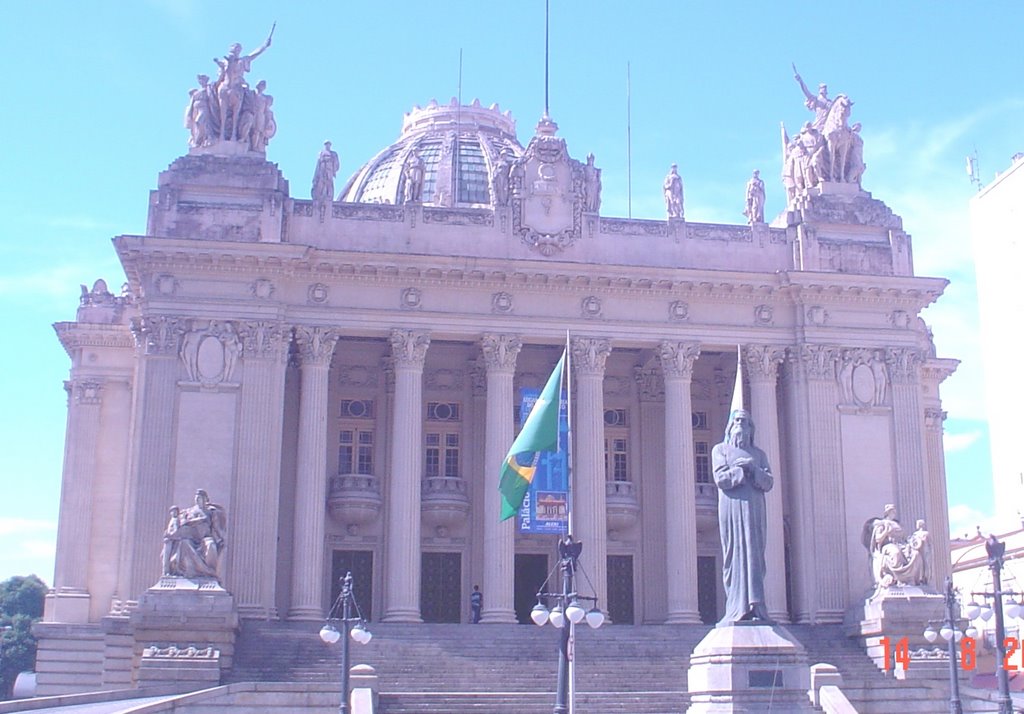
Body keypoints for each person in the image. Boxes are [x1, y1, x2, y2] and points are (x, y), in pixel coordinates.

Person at [712, 409, 774, 624]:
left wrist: (753, 469)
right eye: (736, 420)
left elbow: (768, 482)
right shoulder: (720, 450)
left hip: (755, 509)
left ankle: (757, 607)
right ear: (730, 426)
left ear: (751, 428)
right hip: (732, 508)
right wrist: (740, 472)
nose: (740, 424)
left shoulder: (759, 455)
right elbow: (720, 479)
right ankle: (736, 607)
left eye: (745, 421)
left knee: (755, 555)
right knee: (734, 555)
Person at [793, 65, 833, 131]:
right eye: (821, 88)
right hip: (819, 123)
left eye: (824, 88)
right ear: (819, 90)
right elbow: (806, 91)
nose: (823, 90)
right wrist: (800, 81)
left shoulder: (830, 102)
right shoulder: (816, 99)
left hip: (829, 124)